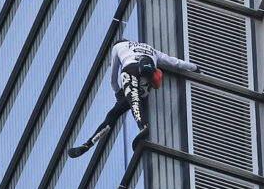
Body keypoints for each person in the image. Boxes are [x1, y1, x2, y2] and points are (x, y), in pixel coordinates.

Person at [68, 39, 201, 158]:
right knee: (127, 105)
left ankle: (143, 127)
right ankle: (87, 144)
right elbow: (174, 62)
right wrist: (195, 68)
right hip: (146, 77)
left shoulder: (118, 46)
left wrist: (118, 93)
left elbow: (112, 79)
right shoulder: (150, 48)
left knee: (125, 105)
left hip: (130, 70)